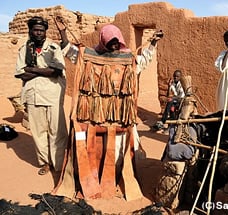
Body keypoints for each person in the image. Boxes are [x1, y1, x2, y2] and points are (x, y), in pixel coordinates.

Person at [53, 17, 163, 199]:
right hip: (92, 113)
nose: (114, 46)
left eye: (116, 42)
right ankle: (91, 179)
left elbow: (143, 60)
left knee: (119, 147)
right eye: (111, 43)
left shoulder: (127, 59)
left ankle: (116, 177)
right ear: (103, 41)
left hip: (119, 113)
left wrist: (152, 42)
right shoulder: (89, 56)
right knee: (93, 145)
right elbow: (71, 52)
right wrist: (63, 32)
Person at [15, 16, 68, 175]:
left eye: (41, 30)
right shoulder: (24, 49)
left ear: (45, 32)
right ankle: (45, 163)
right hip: (33, 96)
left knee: (57, 132)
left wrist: (33, 69)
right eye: (36, 30)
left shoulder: (53, 48)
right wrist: (44, 71)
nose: (39, 33)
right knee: (38, 133)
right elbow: (21, 74)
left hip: (52, 95)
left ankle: (59, 163)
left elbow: (57, 71)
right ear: (30, 31)